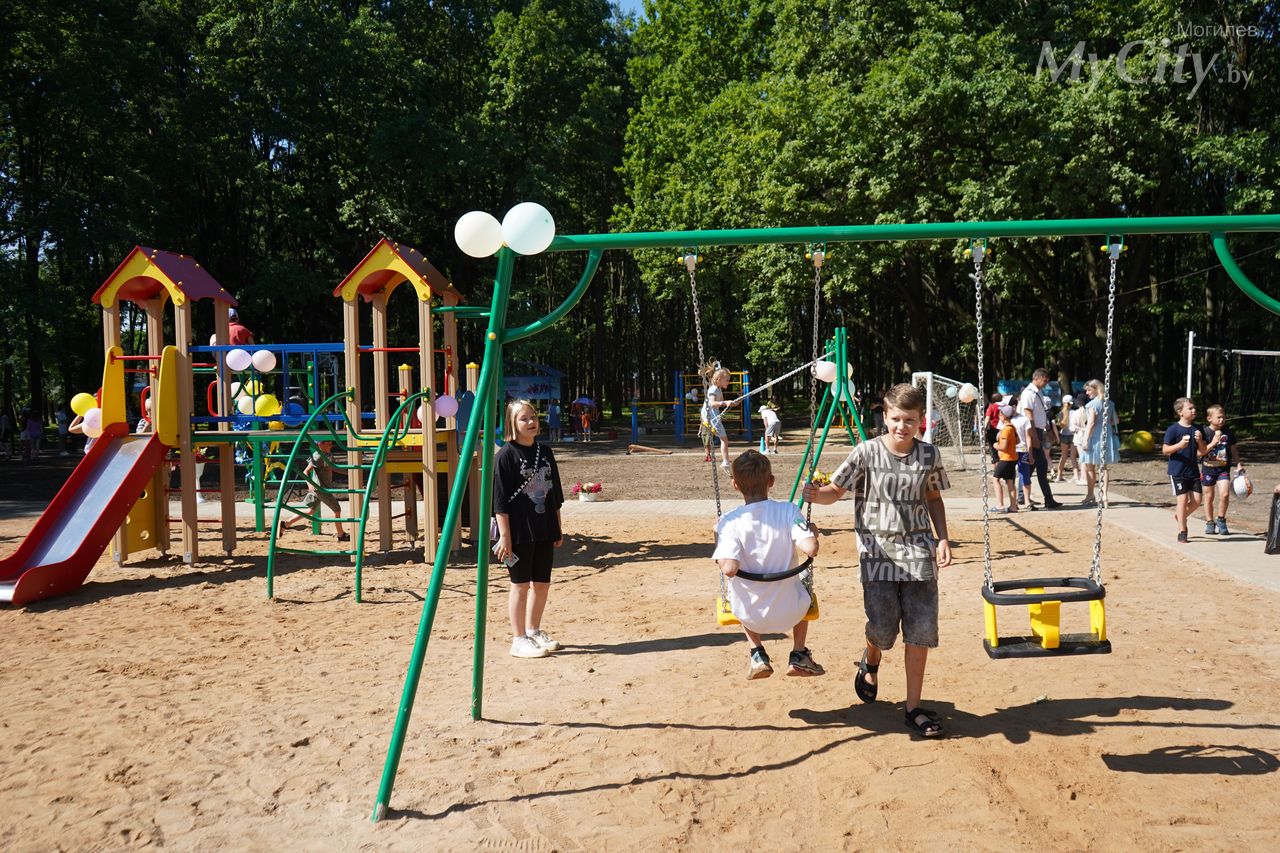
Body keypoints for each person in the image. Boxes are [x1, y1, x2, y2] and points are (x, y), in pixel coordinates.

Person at [803, 383, 951, 738]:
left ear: (921, 421)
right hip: (877, 552)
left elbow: (933, 498)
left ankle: (913, 708)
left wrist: (942, 537)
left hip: (918, 551)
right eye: (896, 419)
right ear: (884, 417)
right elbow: (834, 491)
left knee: (920, 631)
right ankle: (871, 659)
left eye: (910, 420)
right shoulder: (865, 452)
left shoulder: (929, 455)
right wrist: (815, 496)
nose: (902, 426)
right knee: (883, 629)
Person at [713, 449, 824, 680]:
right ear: (771, 481)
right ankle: (799, 653)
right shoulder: (788, 511)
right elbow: (811, 549)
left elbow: (729, 569)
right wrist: (810, 531)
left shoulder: (729, 521)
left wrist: (719, 545)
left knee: (738, 585)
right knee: (804, 580)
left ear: (735, 485)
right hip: (792, 612)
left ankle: (757, 653)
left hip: (750, 615)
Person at [492, 399, 565, 659]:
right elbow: (500, 502)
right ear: (512, 423)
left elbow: (555, 494)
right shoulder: (505, 456)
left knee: (542, 583)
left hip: (544, 526)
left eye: (533, 416)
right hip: (518, 531)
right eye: (524, 418)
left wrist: (557, 526)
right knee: (520, 584)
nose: (531, 422)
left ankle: (534, 631)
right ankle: (518, 638)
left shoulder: (545, 452)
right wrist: (505, 537)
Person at [279, 439, 350, 543]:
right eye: (328, 443)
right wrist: (310, 484)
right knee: (337, 510)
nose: (331, 445)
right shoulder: (317, 456)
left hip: (322, 488)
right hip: (320, 489)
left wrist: (349, 472)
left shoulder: (329, 454)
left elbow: (333, 468)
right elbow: (306, 471)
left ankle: (285, 524)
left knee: (311, 511)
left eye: (331, 443)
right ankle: (341, 534)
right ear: (320, 444)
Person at [1162, 397, 1206, 544]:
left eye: (1194, 408)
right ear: (1180, 412)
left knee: (1197, 501)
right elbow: (1165, 450)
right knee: (1182, 500)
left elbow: (1203, 451)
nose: (1194, 410)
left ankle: (1180, 516)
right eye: (1190, 408)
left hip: (1193, 471)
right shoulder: (1173, 429)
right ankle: (1182, 530)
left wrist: (1200, 440)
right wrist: (1180, 445)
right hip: (1177, 471)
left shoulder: (1198, 429)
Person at [1017, 369, 1063, 508]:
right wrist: (1034, 436)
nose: (1046, 383)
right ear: (1037, 378)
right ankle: (1048, 499)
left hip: (1037, 430)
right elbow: (1028, 414)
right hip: (1032, 430)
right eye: (1045, 380)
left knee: (1030, 466)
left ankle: (1022, 496)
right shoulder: (1029, 393)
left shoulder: (1037, 392)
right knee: (1041, 466)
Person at [1199, 404, 1245, 536]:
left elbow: (1233, 449)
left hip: (1223, 469)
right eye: (1218, 417)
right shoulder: (1204, 432)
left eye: (1223, 417)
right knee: (1209, 496)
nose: (1222, 420)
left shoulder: (1228, 431)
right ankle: (1209, 522)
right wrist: (1214, 441)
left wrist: (1239, 464)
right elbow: (1201, 451)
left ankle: (1221, 519)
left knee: (1224, 494)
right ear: (1209, 418)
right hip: (1208, 469)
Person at [1078, 380, 1120, 506]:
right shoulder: (1110, 403)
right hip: (1107, 437)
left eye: (1089, 390)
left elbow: (1091, 423)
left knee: (1090, 467)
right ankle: (1104, 496)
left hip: (1094, 438)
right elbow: (1116, 420)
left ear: (1097, 389)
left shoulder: (1092, 405)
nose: (1087, 393)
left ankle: (1090, 494)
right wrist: (1105, 424)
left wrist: (1085, 439)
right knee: (1103, 468)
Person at [701, 366, 735, 470]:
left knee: (724, 439)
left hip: (713, 417)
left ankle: (726, 461)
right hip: (710, 418)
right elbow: (712, 403)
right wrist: (725, 402)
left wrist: (732, 403)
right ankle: (725, 461)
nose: (729, 382)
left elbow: (721, 403)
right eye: (727, 380)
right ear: (719, 379)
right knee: (724, 439)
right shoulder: (714, 389)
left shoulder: (718, 390)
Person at [991, 405, 1020, 512]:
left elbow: (1003, 447)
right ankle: (1013, 506)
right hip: (1013, 458)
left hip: (1006, 459)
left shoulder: (1006, 430)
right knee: (1010, 482)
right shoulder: (1012, 427)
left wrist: (995, 445)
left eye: (1000, 414)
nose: (999, 416)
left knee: (995, 479)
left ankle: (1000, 505)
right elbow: (1017, 441)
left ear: (1003, 416)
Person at [1011, 408, 1037, 509]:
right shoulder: (1005, 419)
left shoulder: (1024, 419)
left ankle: (1027, 501)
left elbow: (1028, 437)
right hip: (1010, 451)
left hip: (1022, 450)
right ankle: (1014, 503)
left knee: (1025, 475)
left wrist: (1030, 453)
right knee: (1011, 477)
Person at [1052, 395, 1078, 483]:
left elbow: (1059, 425)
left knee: (1063, 456)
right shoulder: (1075, 412)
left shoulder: (1060, 413)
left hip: (1064, 435)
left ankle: (1059, 476)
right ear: (1072, 403)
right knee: (1073, 457)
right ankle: (1076, 476)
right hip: (1073, 435)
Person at [1067, 393, 1089, 484]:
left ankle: (1084, 478)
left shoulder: (1076, 413)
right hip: (1090, 435)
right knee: (1088, 457)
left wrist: (1077, 429)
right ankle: (1088, 477)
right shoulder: (1090, 411)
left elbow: (1072, 427)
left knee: (1082, 457)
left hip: (1079, 436)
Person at [983, 391, 1004, 463]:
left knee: (994, 451)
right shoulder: (1005, 406)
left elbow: (987, 419)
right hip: (1004, 430)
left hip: (994, 430)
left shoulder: (991, 407)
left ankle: (997, 467)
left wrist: (984, 429)